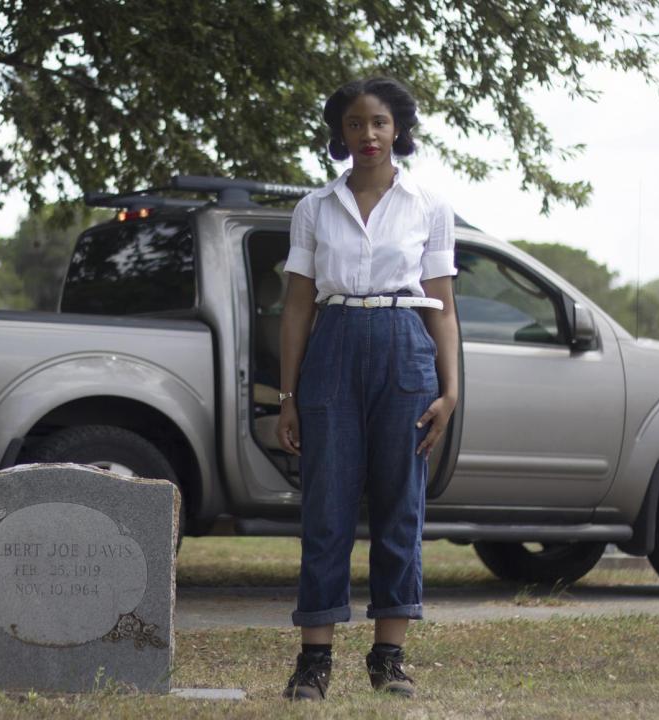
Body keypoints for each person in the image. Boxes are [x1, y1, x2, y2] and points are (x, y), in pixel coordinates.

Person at [275, 77, 461, 700]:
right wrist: (289, 395)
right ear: (341, 133)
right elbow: (298, 306)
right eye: (356, 124)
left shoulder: (429, 206)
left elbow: (443, 308)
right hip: (333, 342)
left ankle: (388, 657)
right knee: (325, 509)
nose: (369, 135)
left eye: (380, 123)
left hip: (405, 347)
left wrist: (451, 389)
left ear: (398, 129)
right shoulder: (314, 208)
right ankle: (314, 662)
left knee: (399, 507)